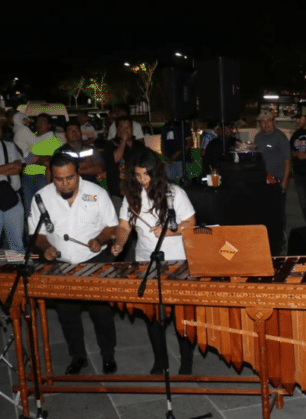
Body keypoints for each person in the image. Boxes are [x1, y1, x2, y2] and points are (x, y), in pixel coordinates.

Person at [30, 154, 118, 374]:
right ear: (52, 175)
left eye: (70, 177)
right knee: (67, 314)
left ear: (78, 173)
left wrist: (99, 240)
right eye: (59, 179)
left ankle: (108, 355)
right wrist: (45, 247)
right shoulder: (41, 198)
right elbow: (36, 233)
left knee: (102, 313)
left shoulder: (97, 193)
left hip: (94, 260)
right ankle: (78, 356)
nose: (65, 184)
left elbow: (111, 227)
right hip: (61, 264)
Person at [111, 152, 196, 374]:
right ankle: (161, 360)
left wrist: (168, 231)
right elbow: (124, 226)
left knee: (181, 316)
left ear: (156, 173)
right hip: (146, 261)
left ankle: (186, 363)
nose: (142, 180)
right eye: (137, 175)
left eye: (146, 175)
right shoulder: (132, 197)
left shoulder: (175, 193)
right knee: (152, 314)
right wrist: (119, 243)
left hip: (178, 261)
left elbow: (191, 224)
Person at [254, 111, 291, 235]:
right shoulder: (257, 137)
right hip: (262, 181)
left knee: (278, 209)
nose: (266, 124)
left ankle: (281, 235)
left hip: (277, 181)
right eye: (262, 121)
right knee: (264, 209)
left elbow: (287, 160)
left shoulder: (280, 137)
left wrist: (285, 181)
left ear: (273, 122)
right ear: (259, 124)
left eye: (268, 120)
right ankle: (266, 234)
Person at [104, 115, 149, 211]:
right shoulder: (110, 144)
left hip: (138, 191)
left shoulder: (139, 145)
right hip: (119, 193)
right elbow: (115, 159)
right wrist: (123, 141)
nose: (126, 130)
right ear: (117, 130)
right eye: (122, 127)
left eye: (128, 127)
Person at [54, 119, 104, 184]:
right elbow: (60, 171)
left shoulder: (91, 149)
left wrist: (76, 171)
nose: (74, 133)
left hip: (90, 184)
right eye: (70, 130)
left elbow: (99, 169)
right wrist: (87, 164)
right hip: (69, 186)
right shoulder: (60, 152)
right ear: (65, 134)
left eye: (76, 130)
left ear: (80, 132)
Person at [0, 139, 24, 253]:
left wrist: (12, 166)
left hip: (12, 198)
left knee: (17, 246)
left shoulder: (9, 145)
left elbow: (17, 168)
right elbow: (12, 167)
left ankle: (16, 267)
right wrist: (8, 167)